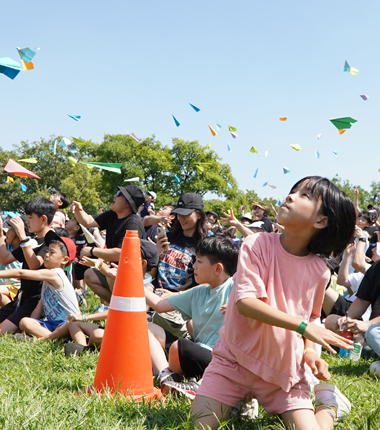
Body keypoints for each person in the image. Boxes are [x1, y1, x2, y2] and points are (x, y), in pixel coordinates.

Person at [191, 176, 357, 430]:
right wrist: (303, 327)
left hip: (284, 373)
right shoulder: (256, 243)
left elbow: (312, 317)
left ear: (321, 221)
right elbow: (246, 303)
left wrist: (310, 352)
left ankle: (329, 405)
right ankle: (240, 400)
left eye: (305, 196)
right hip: (233, 361)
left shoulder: (320, 271)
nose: (291, 196)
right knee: (198, 426)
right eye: (294, 191)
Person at [145, 236, 239, 397]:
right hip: (195, 354)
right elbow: (160, 306)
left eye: (199, 262)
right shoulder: (198, 292)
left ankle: (185, 382)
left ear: (218, 269)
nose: (193, 266)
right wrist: (132, 282)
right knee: (147, 327)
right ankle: (167, 376)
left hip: (219, 360)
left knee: (179, 346)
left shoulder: (235, 287)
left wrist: (238, 306)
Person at [64, 239, 159, 356]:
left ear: (143, 264)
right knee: (73, 322)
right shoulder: (127, 277)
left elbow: (117, 311)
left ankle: (89, 349)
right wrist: (98, 264)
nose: (123, 257)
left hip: (129, 336)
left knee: (97, 334)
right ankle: (84, 347)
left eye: (128, 255)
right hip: (115, 329)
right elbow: (109, 272)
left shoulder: (146, 289)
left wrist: (85, 317)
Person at [70, 185, 146, 304]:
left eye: (119, 193)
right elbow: (88, 221)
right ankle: (116, 306)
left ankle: (123, 307)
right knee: (89, 274)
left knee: (110, 275)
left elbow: (122, 253)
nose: (115, 195)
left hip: (130, 276)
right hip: (113, 271)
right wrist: (79, 210)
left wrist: (92, 251)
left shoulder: (133, 224)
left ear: (128, 203)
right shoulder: (112, 215)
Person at [1, 230, 79, 340]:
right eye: (47, 251)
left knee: (68, 325)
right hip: (52, 325)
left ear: (65, 260)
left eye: (52, 253)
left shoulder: (55, 274)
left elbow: (21, 273)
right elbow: (38, 309)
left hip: (69, 324)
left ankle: (48, 339)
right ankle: (54, 338)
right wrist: (27, 328)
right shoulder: (46, 282)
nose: (46, 255)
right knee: (25, 322)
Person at [152, 192, 208, 337]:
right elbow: (152, 272)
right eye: (178, 214)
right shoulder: (168, 237)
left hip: (180, 303)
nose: (181, 218)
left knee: (160, 317)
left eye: (186, 214)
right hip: (155, 294)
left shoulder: (205, 246)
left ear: (199, 215)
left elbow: (207, 285)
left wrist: (177, 295)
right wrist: (157, 251)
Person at [0, 198, 56, 334]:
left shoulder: (51, 241)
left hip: (35, 302)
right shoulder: (33, 241)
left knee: (2, 331)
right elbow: (5, 259)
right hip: (21, 298)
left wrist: (22, 236)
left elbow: (34, 265)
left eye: (30, 217)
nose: (27, 222)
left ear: (43, 219)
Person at [0, 216, 28, 307]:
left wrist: (0, 233)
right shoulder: (5, 245)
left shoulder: (26, 249)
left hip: (16, 287)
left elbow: (4, 261)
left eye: (10, 229)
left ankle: (11, 313)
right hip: (3, 287)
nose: (6, 232)